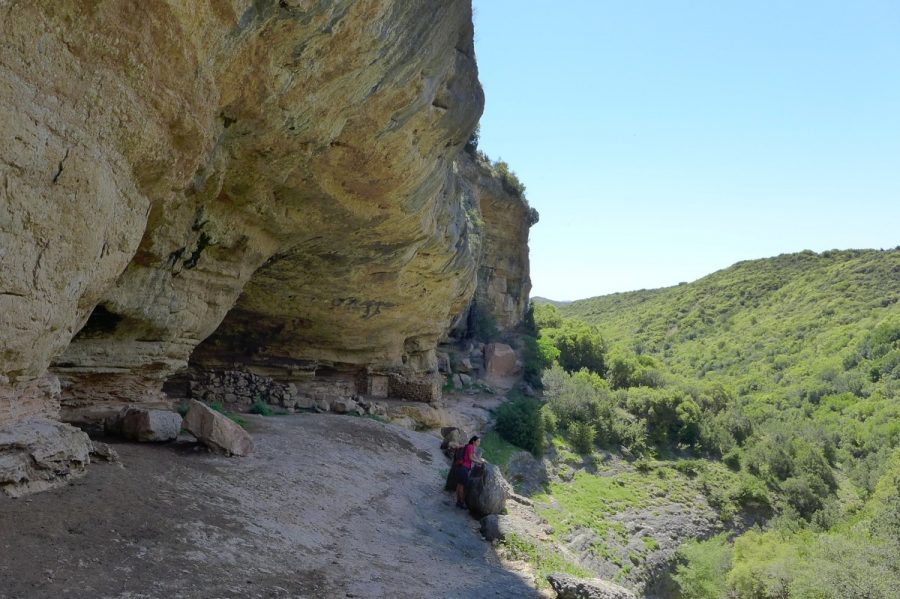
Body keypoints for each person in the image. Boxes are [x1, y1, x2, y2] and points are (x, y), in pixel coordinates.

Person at [454, 435, 484, 509]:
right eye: (478, 441)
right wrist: (480, 463)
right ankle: (460, 502)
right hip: (464, 468)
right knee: (462, 486)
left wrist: (480, 461)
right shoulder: (470, 447)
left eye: (479, 441)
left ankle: (458, 502)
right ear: (473, 441)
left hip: (461, 467)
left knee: (459, 485)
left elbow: (474, 456)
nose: (479, 443)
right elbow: (471, 458)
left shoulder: (470, 446)